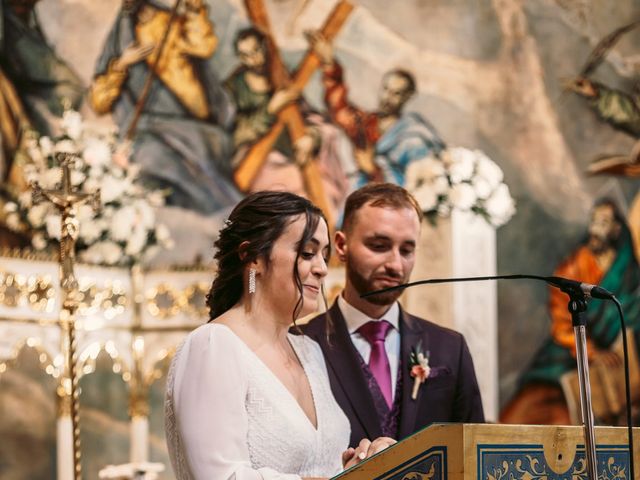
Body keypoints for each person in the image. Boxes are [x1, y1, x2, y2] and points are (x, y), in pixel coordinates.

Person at [164, 191, 394, 479]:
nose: (323, 269)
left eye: (324, 255)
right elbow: (221, 476)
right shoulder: (213, 346)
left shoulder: (309, 351)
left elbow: (317, 467)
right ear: (252, 257)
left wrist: (359, 467)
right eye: (308, 253)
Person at [301, 183, 484, 448]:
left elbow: (473, 451)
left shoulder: (450, 347)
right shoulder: (302, 344)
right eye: (378, 246)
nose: (395, 265)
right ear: (341, 246)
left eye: (407, 250)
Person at [89, 0, 241, 215]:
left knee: (198, 162)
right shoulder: (121, 36)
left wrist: (195, 9)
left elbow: (204, 46)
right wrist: (122, 63)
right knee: (151, 158)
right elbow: (98, 102)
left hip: (191, 124)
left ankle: (220, 210)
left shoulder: (170, 22)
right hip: (148, 129)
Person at [500, 199, 640, 424]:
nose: (595, 230)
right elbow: (562, 323)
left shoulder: (629, 270)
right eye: (593, 222)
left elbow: (633, 312)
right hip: (570, 352)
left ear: (617, 229)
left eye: (603, 223)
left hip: (620, 358)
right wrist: (592, 353)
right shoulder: (574, 266)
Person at [225, 27, 348, 218]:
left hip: (297, 156)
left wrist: (312, 138)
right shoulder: (234, 88)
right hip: (262, 164)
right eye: (245, 55)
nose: (253, 60)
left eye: (256, 51)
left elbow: (309, 116)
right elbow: (235, 133)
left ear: (265, 48)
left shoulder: (281, 77)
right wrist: (270, 110)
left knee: (323, 194)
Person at [307, 32, 445, 188]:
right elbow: (339, 108)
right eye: (386, 89)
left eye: (396, 93)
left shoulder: (414, 136)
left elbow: (418, 186)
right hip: (357, 199)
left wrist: (374, 170)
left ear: (407, 97)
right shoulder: (366, 122)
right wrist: (329, 63)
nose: (387, 97)